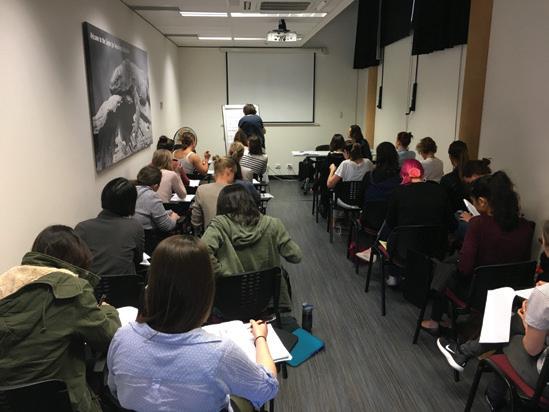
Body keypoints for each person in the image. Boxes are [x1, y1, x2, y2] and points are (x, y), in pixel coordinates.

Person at [107, 235, 278, 412]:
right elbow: (268, 388)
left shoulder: (122, 338)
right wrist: (260, 338)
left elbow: (115, 389)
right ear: (206, 291)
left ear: (151, 286)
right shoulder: (220, 352)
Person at [0, 225, 120, 412]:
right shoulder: (72, 288)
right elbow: (110, 338)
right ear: (78, 258)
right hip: (67, 403)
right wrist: (108, 310)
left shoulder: (6, 283)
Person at [424, 171, 534, 331]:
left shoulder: (478, 224)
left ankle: (435, 321)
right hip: (509, 292)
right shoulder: (526, 227)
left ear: (482, 202)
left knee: (444, 270)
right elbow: (523, 264)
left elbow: (464, 268)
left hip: (478, 293)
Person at [437, 280, 549, 408]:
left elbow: (532, 349)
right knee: (513, 326)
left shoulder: (544, 295)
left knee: (506, 335)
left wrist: (528, 319)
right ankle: (493, 394)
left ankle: (464, 354)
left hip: (543, 381)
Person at [202, 185, 302, 312]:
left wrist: (221, 272)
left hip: (229, 301)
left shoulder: (218, 225)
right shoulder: (272, 224)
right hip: (268, 300)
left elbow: (202, 253)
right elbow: (296, 256)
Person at [75, 178, 144, 276]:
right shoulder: (134, 226)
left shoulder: (82, 228)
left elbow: (78, 265)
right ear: (131, 203)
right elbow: (138, 259)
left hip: (91, 284)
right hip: (126, 283)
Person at [134, 166, 179, 254]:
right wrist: (174, 216)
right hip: (148, 242)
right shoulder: (151, 196)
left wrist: (168, 212)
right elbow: (167, 226)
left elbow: (145, 212)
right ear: (156, 186)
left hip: (132, 238)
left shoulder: (131, 190)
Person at [191, 157, 236, 234]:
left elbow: (196, 221)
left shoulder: (201, 190)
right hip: (233, 237)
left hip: (209, 235)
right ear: (229, 171)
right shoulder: (239, 191)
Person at [318, 134, 346, 217]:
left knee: (322, 178)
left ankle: (324, 208)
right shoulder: (346, 159)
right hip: (343, 187)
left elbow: (323, 171)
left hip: (329, 186)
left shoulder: (330, 157)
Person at [440, 140, 469, 213]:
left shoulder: (447, 179)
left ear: (450, 157)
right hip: (472, 216)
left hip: (454, 217)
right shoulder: (473, 175)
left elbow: (443, 205)